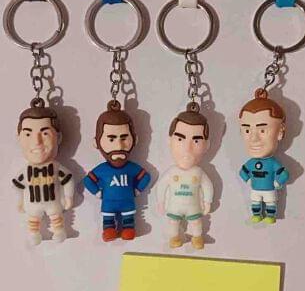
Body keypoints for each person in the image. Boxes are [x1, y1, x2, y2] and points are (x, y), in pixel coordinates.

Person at [83, 101, 150, 242]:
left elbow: (146, 177)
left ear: (135, 140)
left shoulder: (132, 168)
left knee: (129, 218)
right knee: (108, 219)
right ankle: (108, 229)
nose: (119, 146)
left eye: (124, 138)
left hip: (128, 202)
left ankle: (128, 229)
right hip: (108, 203)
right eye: (111, 139)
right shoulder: (102, 169)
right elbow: (87, 180)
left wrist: (137, 190)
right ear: (96, 143)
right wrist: (97, 192)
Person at [14, 99, 75, 245]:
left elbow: (68, 180)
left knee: (56, 216)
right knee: (33, 218)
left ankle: (59, 231)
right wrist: (20, 201)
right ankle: (34, 233)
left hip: (53, 203)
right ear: (19, 138)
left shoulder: (56, 168)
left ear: (58, 137)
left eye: (45, 133)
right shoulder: (26, 170)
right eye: (28, 134)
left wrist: (68, 197)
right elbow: (18, 185)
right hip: (32, 204)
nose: (37, 142)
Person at [157, 104, 213, 250]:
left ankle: (197, 237)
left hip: (193, 207)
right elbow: (162, 186)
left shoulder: (199, 172)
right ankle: (174, 237)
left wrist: (207, 201)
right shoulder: (171, 172)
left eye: (196, 141)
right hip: (174, 207)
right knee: (173, 222)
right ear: (170, 140)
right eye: (180, 139)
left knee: (196, 222)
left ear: (207, 145)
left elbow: (207, 186)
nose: (187, 148)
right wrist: (161, 202)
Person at [239, 89, 289, 224]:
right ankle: (256, 214)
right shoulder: (250, 163)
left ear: (280, 132)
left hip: (269, 190)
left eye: (262, 130)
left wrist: (277, 182)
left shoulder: (272, 163)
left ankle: (270, 216)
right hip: (255, 189)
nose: (254, 139)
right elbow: (242, 172)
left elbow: (284, 174)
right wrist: (248, 180)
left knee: (270, 203)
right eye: (247, 130)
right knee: (255, 202)